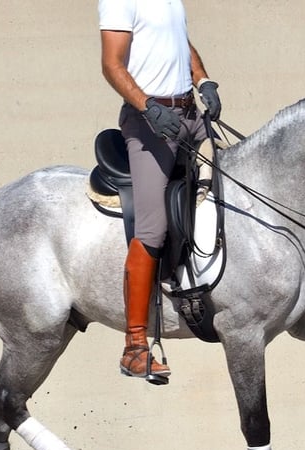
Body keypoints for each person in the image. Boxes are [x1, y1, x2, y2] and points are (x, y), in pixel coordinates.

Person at [98, 0, 222, 381]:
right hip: (148, 124)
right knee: (152, 227)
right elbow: (112, 65)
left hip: (190, 116)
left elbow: (180, 43)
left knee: (238, 185)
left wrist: (203, 81)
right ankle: (135, 345)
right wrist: (148, 107)